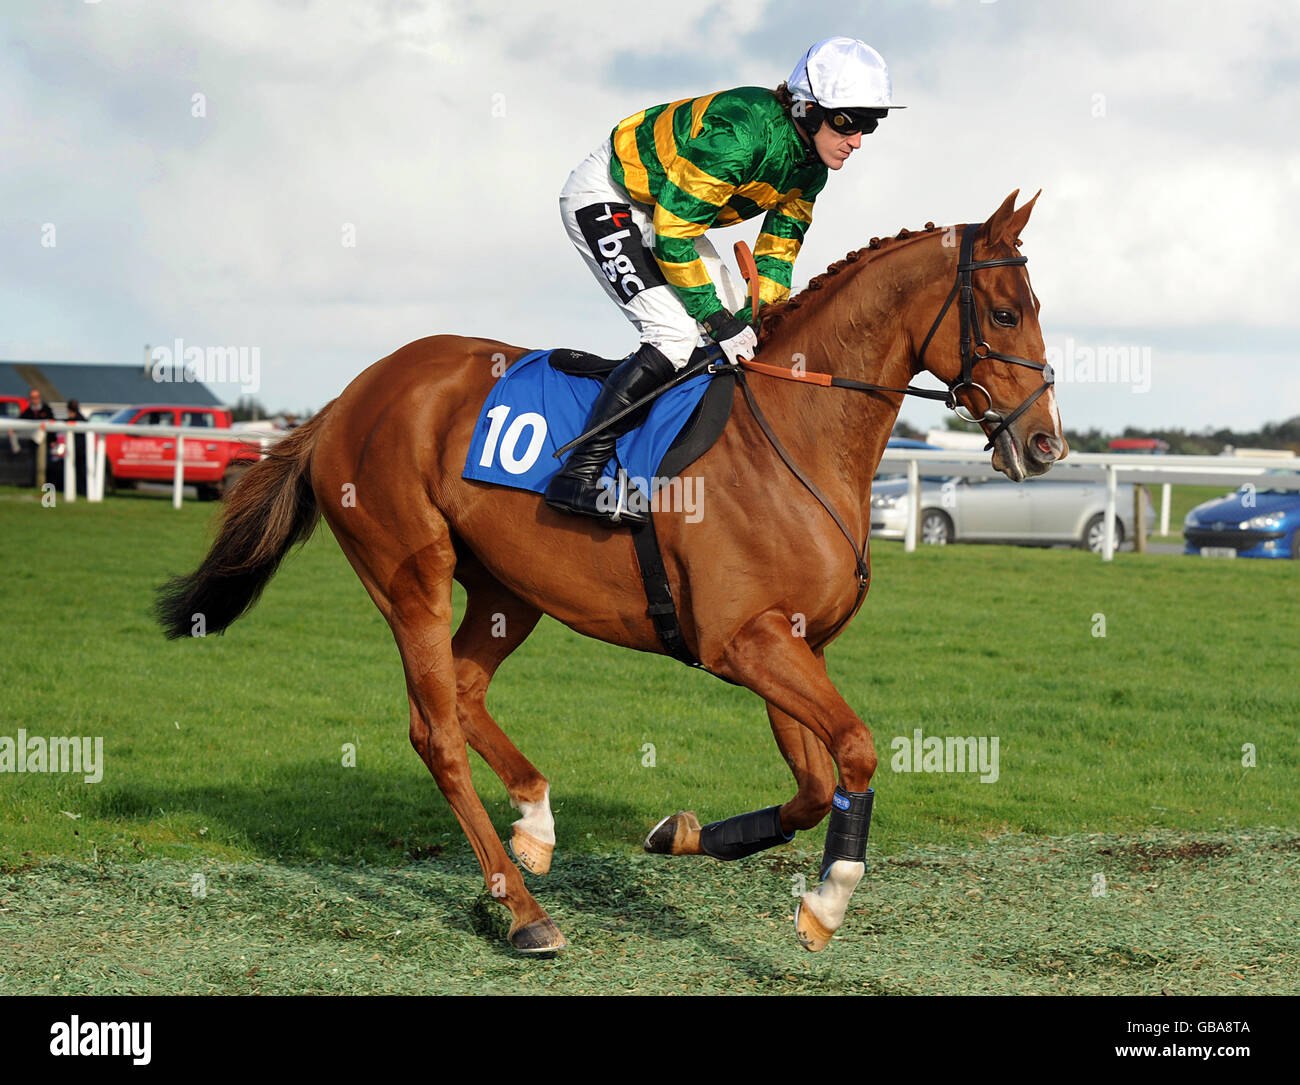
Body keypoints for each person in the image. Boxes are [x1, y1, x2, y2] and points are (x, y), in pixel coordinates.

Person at [544, 36, 904, 524]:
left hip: (671, 213)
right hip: (612, 196)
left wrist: (766, 317)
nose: (856, 139)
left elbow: (778, 251)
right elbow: (673, 235)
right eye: (846, 122)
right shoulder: (738, 134)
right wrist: (715, 320)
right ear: (805, 108)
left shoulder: (811, 167)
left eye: (868, 125)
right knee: (674, 332)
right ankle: (579, 473)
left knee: (749, 333)